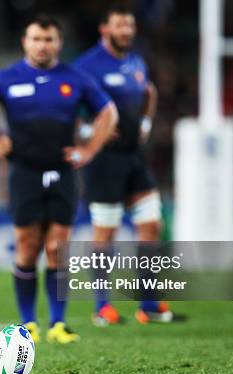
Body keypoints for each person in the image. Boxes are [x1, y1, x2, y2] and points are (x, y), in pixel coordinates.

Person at [0, 15, 118, 344]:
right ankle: (29, 322)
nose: (42, 45)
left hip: (62, 172)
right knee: (28, 248)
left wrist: (89, 150)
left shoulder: (75, 78)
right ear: (25, 42)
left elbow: (108, 112)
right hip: (24, 172)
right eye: (36, 39)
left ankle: (58, 324)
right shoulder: (6, 78)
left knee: (58, 248)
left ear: (58, 43)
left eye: (48, 39)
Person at [73, 4, 173, 325]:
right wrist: (89, 132)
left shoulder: (135, 60)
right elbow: (68, 104)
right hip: (104, 159)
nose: (127, 31)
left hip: (134, 156)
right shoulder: (88, 65)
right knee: (106, 232)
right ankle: (102, 307)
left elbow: (149, 92)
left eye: (130, 25)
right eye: (120, 25)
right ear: (105, 29)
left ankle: (148, 304)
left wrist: (144, 122)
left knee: (152, 225)